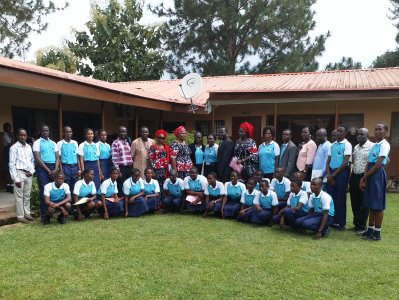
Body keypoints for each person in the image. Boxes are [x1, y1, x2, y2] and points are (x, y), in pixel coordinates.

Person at [360, 122, 390, 241]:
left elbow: (378, 164)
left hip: (376, 175)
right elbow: (369, 162)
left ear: (385, 131)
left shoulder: (385, 145)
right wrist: (364, 177)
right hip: (370, 174)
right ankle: (370, 230)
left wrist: (365, 176)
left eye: (380, 129)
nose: (377, 131)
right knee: (371, 204)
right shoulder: (375, 145)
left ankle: (377, 234)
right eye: (376, 129)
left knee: (378, 206)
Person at [326, 125, 352, 230]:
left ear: (345, 133)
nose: (338, 133)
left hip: (341, 173)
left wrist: (333, 175)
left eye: (341, 131)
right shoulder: (332, 145)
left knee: (340, 199)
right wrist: (329, 175)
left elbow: (345, 162)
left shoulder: (347, 144)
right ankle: (332, 221)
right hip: (331, 173)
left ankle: (341, 223)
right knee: (331, 198)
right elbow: (328, 161)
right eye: (337, 131)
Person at [33, 124, 60, 223]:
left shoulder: (53, 143)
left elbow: (57, 157)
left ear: (49, 132)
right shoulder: (37, 142)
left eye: (47, 131)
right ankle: (44, 216)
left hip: (53, 168)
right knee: (44, 192)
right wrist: (48, 171)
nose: (45, 132)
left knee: (53, 191)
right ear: (41, 131)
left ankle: (52, 213)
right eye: (43, 131)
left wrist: (56, 169)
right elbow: (37, 158)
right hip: (42, 169)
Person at [349, 128, 373, 234]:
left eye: (362, 134)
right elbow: (353, 161)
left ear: (367, 135)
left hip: (364, 177)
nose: (359, 136)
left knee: (363, 203)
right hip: (354, 176)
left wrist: (365, 178)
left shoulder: (372, 147)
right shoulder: (356, 147)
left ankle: (362, 227)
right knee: (355, 202)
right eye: (358, 134)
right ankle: (356, 224)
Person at [9, 128, 35, 223]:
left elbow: (32, 160)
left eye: (24, 135)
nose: (23, 137)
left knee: (27, 195)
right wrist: (16, 179)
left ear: (26, 136)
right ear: (17, 136)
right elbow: (11, 164)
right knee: (19, 196)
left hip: (28, 173)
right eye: (20, 135)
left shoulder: (28, 146)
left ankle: (27, 213)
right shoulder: (14, 148)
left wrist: (32, 171)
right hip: (19, 172)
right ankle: (20, 216)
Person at [112, 126, 133, 196]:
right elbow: (115, 158)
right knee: (121, 187)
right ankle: (122, 205)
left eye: (124, 132)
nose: (123, 133)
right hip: (121, 168)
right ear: (118, 133)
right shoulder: (115, 143)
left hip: (129, 168)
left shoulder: (128, 142)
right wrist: (118, 171)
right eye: (121, 132)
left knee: (128, 187)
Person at [57, 126, 79, 194]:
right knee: (66, 185)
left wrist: (79, 169)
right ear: (63, 133)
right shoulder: (60, 143)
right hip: (65, 167)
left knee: (75, 185)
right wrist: (61, 170)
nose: (69, 133)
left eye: (70, 132)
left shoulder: (75, 142)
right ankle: (67, 202)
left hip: (75, 167)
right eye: (67, 132)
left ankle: (74, 203)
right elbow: (59, 158)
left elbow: (77, 156)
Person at [3, 122, 13, 191]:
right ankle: (9, 186)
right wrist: (12, 137)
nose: (10, 128)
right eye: (9, 127)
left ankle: (10, 185)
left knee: (9, 168)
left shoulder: (8, 135)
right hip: (7, 152)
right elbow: (10, 144)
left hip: (9, 151)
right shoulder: (5, 135)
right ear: (5, 128)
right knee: (8, 168)